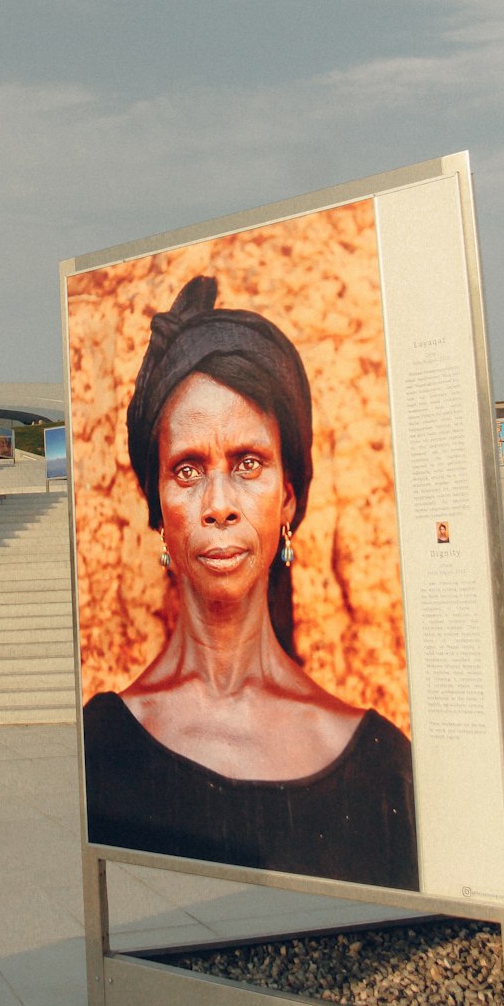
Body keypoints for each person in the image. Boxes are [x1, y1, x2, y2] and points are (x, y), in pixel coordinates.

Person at [82, 275, 419, 891]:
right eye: (188, 470)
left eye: (247, 464)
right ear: (159, 509)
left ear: (288, 496)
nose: (219, 505)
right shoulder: (98, 749)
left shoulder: (383, 767)